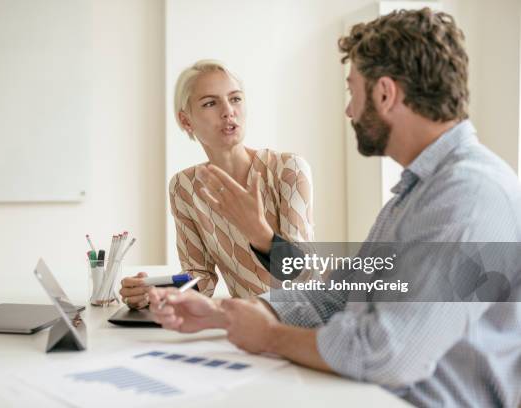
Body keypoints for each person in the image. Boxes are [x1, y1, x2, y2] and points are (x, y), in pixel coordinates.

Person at [148, 8, 521, 408]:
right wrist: (223, 314)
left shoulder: (468, 195)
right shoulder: (417, 191)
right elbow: (339, 295)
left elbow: (389, 355)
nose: (348, 110)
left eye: (352, 91)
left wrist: (270, 336)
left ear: (384, 94)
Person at [120, 60, 315, 309]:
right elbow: (201, 278)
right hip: (246, 322)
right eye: (210, 103)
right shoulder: (184, 187)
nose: (228, 111)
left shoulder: (288, 169)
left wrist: (259, 232)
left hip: (303, 317)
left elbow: (304, 275)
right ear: (186, 121)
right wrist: (156, 291)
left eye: (235, 99)